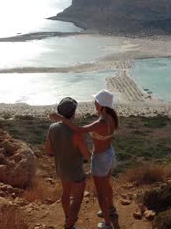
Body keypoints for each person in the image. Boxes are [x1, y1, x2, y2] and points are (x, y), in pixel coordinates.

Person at [50, 89, 119, 229]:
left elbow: (80, 129)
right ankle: (110, 210)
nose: (94, 102)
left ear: (101, 104)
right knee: (107, 184)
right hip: (109, 154)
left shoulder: (101, 122)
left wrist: (61, 119)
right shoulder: (111, 117)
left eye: (96, 101)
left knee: (100, 193)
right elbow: (85, 143)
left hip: (100, 158)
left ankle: (107, 223)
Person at [45, 97, 91, 229]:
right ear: (73, 113)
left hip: (61, 169)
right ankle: (69, 225)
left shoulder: (52, 128)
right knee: (77, 199)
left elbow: (48, 150)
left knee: (65, 193)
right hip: (75, 172)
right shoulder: (76, 133)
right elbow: (86, 155)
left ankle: (68, 218)